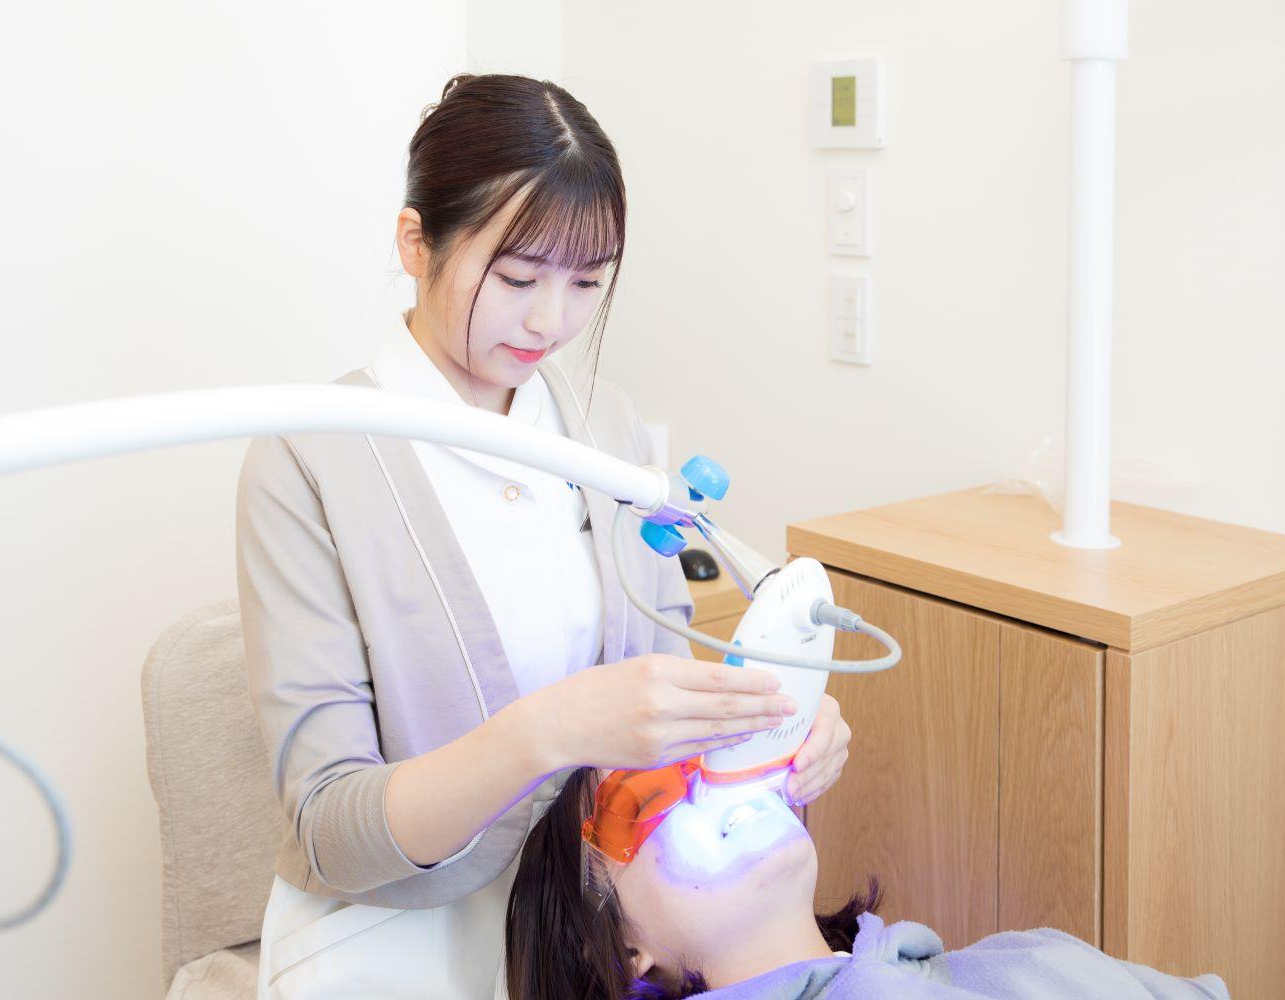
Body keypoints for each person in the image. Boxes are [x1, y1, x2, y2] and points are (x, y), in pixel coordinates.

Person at [235, 73, 855, 999]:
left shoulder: (604, 427)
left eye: (585, 284)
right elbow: (332, 828)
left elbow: (670, 694)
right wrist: (549, 733)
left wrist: (785, 732)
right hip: (394, 942)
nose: (550, 321)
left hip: (588, 947)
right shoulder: (308, 459)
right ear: (416, 242)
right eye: (518, 278)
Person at [503, 767, 1230, 1000]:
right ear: (622, 951)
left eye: (701, 763)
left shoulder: (1015, 956)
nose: (708, 789)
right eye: (645, 804)